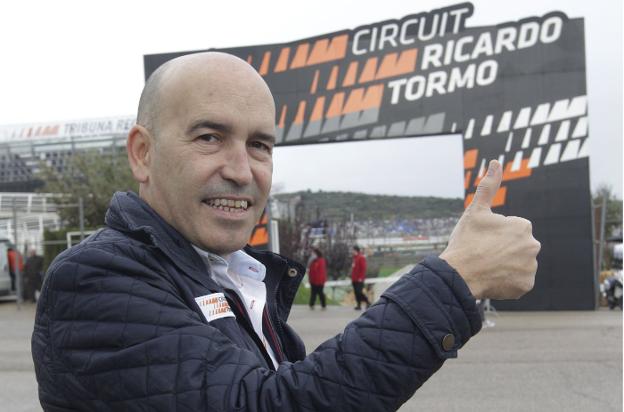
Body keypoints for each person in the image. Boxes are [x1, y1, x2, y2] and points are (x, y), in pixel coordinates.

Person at [32, 52, 540, 411]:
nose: (241, 169)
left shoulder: (227, 275)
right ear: (143, 153)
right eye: (210, 137)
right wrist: (454, 281)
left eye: (260, 145)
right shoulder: (96, 278)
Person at [351, 245, 370, 310]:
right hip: (354, 279)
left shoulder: (361, 257)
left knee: (359, 292)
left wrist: (361, 278)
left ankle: (367, 302)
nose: (352, 251)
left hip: (359, 279)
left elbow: (363, 268)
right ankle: (358, 305)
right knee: (356, 293)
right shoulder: (354, 258)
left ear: (356, 250)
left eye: (353, 250)